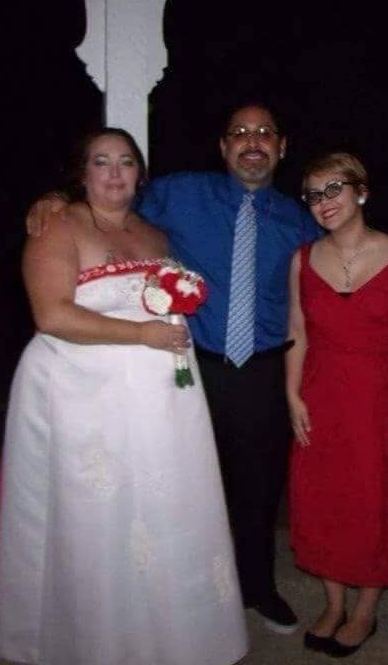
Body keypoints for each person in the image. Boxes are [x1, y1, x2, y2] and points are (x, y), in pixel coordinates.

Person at [27, 104, 322, 633]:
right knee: (189, 486)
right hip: (187, 369)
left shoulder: (300, 221)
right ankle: (189, 591)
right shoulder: (180, 193)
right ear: (223, 147)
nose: (252, 141)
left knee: (258, 488)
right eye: (239, 133)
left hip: (262, 371)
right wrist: (56, 199)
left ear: (282, 147)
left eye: (264, 133)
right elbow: (112, 198)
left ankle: (257, 587)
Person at [0, 128, 248, 665]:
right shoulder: (57, 224)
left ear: (140, 174)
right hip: (81, 397)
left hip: (160, 399)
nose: (114, 173)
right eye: (101, 161)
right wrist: (141, 335)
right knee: (95, 515)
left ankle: (167, 635)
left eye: (126, 162)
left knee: (162, 510)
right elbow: (52, 315)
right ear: (81, 173)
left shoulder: (156, 235)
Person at [286, 152, 388, 657]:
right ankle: (333, 603)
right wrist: (292, 395)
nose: (323, 202)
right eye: (313, 194)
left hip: (384, 399)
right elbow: (297, 331)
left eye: (334, 189)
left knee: (376, 499)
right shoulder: (302, 259)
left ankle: (365, 610)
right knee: (323, 497)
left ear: (361, 192)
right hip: (322, 394)